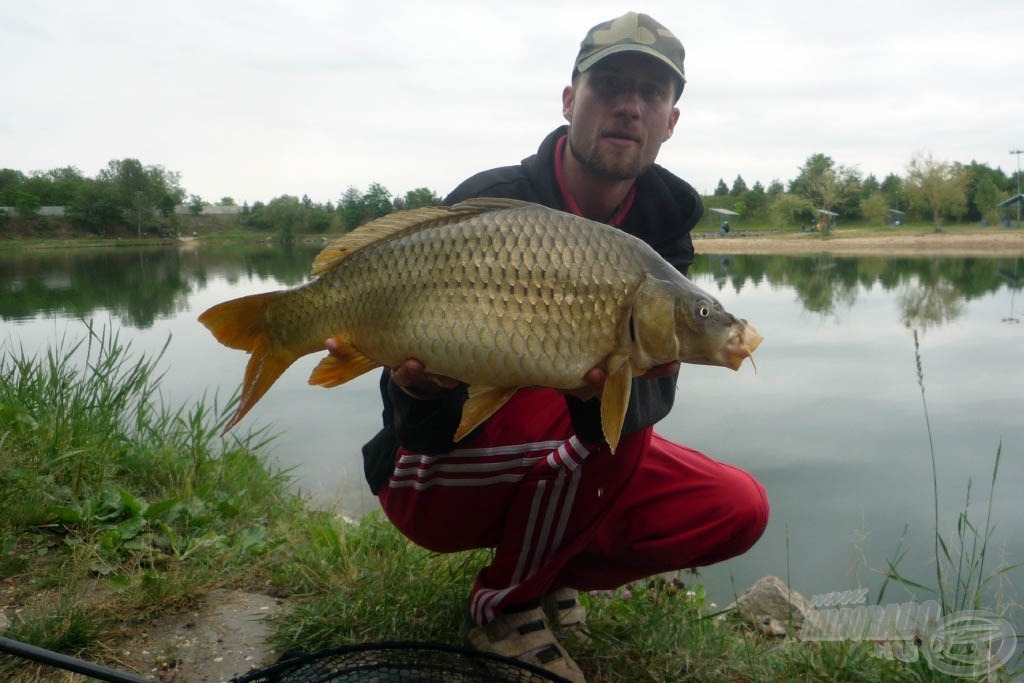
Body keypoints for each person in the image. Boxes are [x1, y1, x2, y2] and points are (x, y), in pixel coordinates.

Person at [354, 12, 769, 682]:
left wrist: (606, 389)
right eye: (609, 85)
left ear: (671, 120)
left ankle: (541, 566)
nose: (629, 106)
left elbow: (650, 391)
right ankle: (504, 606)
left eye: (651, 93)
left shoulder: (664, 226)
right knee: (618, 415)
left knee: (735, 505)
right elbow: (417, 426)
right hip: (430, 469)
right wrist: (418, 389)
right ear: (571, 100)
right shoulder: (492, 200)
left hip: (559, 458)